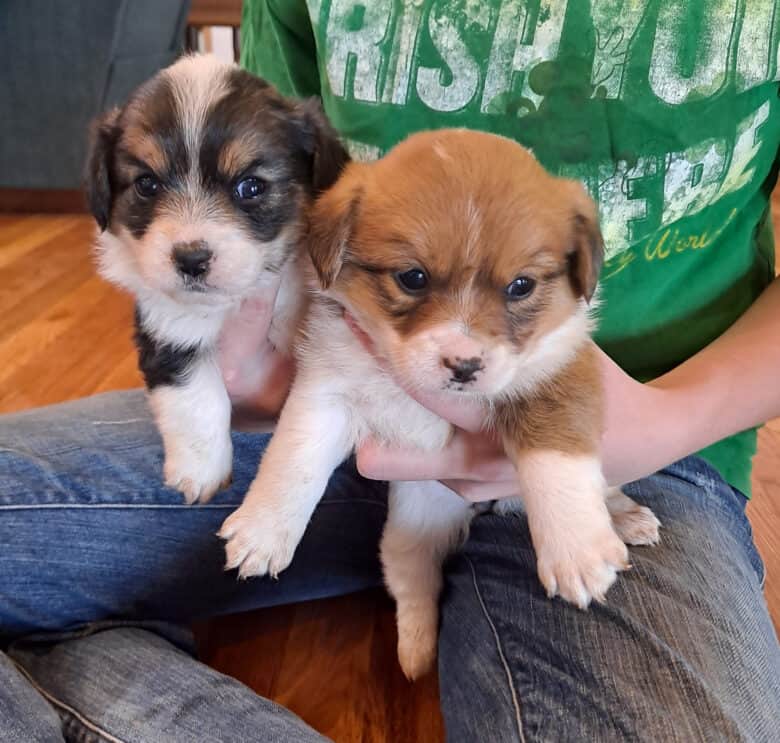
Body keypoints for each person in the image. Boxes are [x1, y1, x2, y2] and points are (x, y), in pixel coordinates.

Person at [2, 1, 779, 740]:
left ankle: (86, 671)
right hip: (313, 425)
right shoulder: (328, 209)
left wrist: (671, 420)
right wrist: (238, 361)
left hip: (648, 448)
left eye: (518, 287)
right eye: (413, 279)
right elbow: (286, 201)